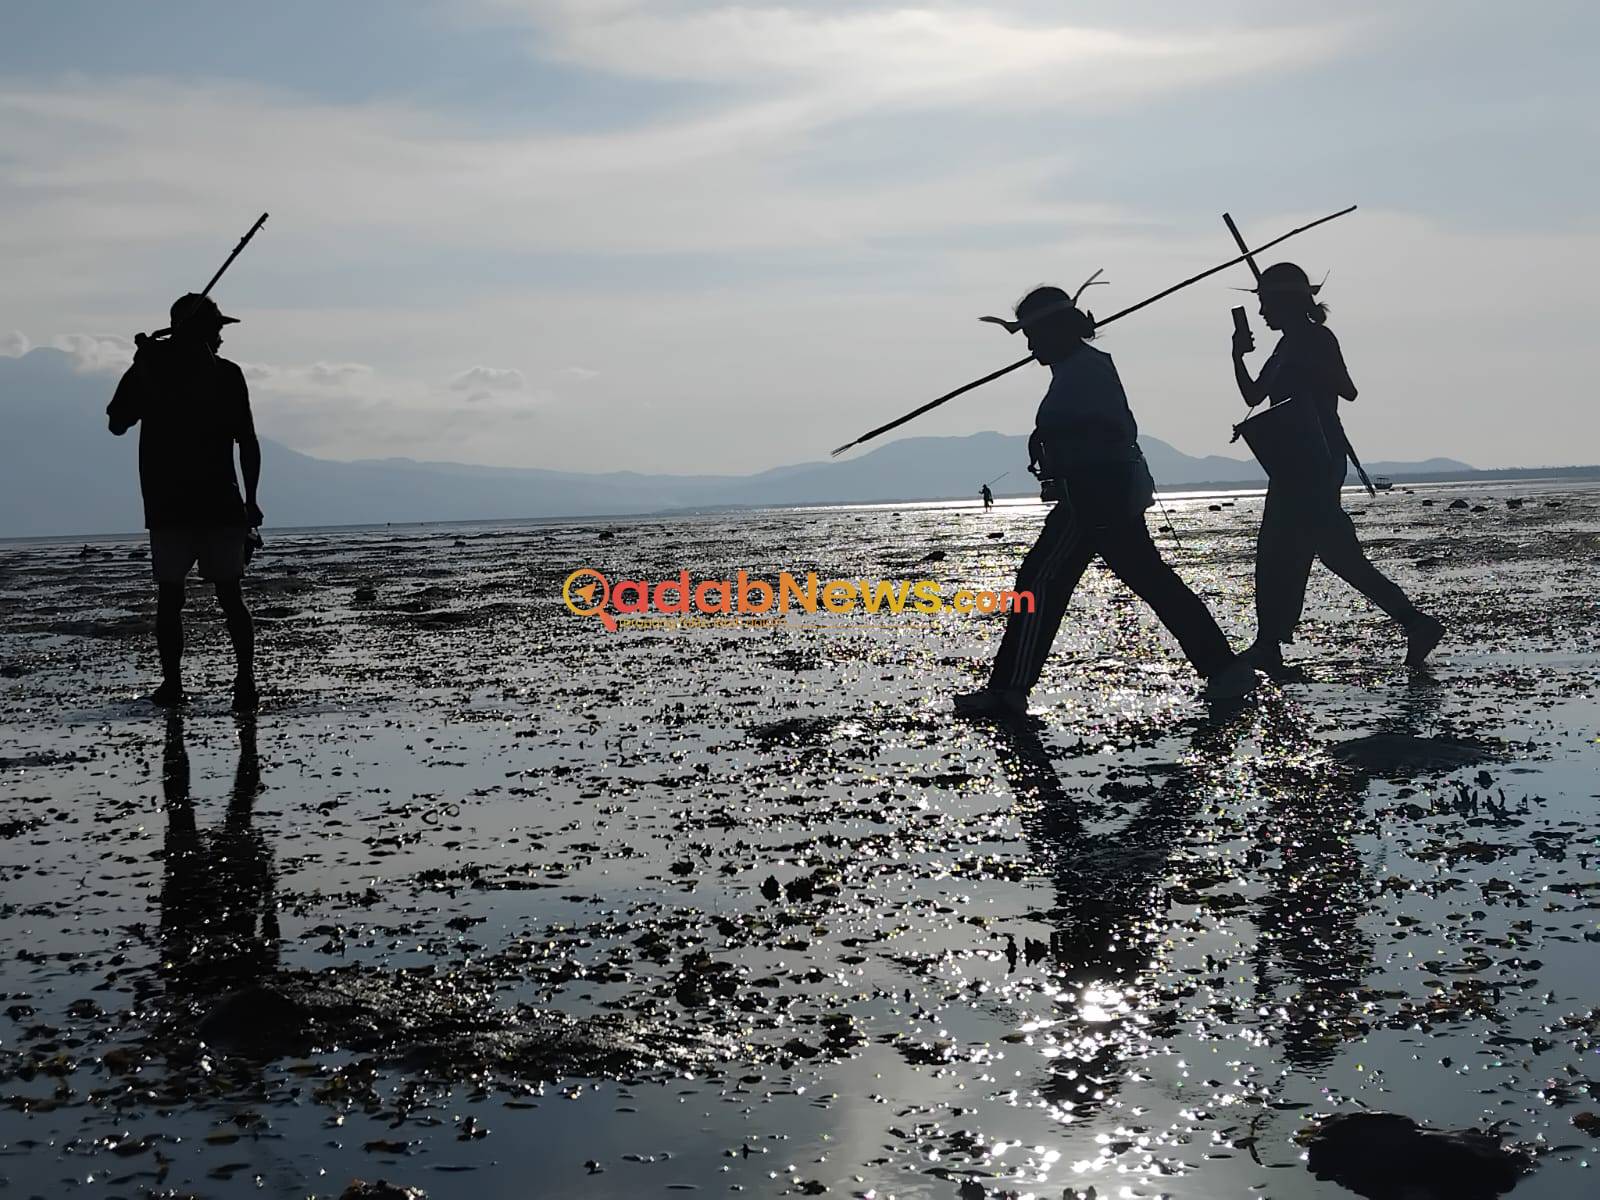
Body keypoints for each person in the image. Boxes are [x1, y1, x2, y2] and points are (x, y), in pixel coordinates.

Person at [955, 286, 1257, 718]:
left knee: (1039, 585)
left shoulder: (1084, 371)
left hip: (1094, 496)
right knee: (1151, 581)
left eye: (1033, 334)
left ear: (1056, 331)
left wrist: (1058, 437)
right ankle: (1225, 669)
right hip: (1104, 492)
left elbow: (1113, 431)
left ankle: (1007, 691)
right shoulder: (1079, 368)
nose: (1029, 344)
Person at [1231, 263, 1443, 676]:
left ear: (1285, 302)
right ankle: (1413, 623)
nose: (1261, 314)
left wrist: (1308, 368)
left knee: (1286, 551)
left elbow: (1348, 389)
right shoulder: (1285, 345)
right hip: (1293, 463)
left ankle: (1268, 645)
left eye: (1265, 303)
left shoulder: (1315, 339)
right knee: (1321, 553)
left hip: (1317, 460)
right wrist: (1237, 355)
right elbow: (1254, 396)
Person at [108, 293, 263, 711]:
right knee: (229, 596)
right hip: (215, 505)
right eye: (216, 329)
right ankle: (243, 683)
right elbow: (246, 441)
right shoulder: (223, 374)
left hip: (171, 505)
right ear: (199, 330)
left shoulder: (155, 369)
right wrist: (251, 500)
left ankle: (175, 685)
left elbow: (117, 424)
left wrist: (146, 367)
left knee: (172, 599)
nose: (220, 338)